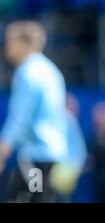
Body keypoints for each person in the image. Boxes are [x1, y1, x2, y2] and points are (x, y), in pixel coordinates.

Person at [0, 21, 86, 202]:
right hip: (54, 156)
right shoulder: (52, 70)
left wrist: (3, 150)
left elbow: (20, 117)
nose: (6, 46)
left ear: (24, 43)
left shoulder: (27, 72)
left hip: (35, 158)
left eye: (9, 41)